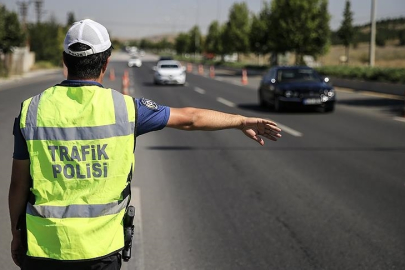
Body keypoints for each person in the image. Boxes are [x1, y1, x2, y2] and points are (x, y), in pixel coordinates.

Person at [8, 19, 282, 270]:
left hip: (43, 248)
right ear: (106, 63)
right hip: (101, 251)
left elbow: (18, 185)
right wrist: (240, 120)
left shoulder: (32, 110)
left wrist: (16, 234)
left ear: (65, 60)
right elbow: (191, 118)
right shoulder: (126, 109)